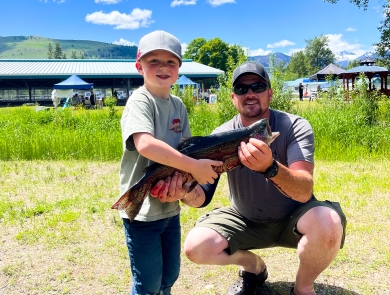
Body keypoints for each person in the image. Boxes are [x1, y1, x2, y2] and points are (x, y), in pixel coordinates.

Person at [151, 61, 347, 295]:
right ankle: (253, 267)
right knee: (196, 247)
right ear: (234, 98)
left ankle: (303, 287)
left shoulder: (294, 126)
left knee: (329, 223)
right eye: (243, 89)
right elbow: (201, 196)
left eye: (258, 86)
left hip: (294, 216)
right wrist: (183, 191)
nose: (250, 93)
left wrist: (270, 168)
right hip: (245, 218)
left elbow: (304, 190)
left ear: (270, 93)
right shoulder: (221, 136)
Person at [119, 30, 222, 295]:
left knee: (169, 277)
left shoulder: (178, 105)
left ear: (179, 69)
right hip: (141, 211)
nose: (163, 67)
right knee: (148, 283)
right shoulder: (139, 101)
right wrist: (192, 167)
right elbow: (145, 144)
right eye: (154, 61)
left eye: (171, 62)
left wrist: (186, 181)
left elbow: (188, 148)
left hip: (170, 206)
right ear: (138, 66)